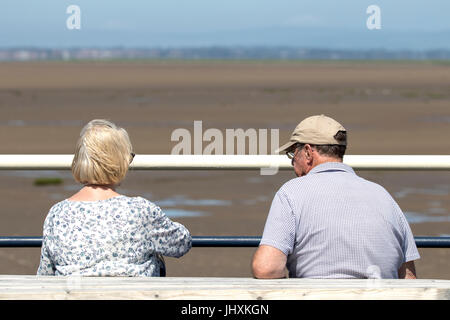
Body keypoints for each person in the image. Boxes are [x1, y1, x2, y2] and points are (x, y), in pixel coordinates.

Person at [252, 114, 420, 279]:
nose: (292, 162)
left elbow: (266, 268)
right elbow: (408, 277)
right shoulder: (383, 195)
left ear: (308, 152)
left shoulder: (291, 193)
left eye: (293, 153)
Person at [37, 119, 191, 276]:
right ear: (119, 163)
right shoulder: (140, 211)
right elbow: (181, 244)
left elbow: (45, 273)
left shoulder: (57, 214)